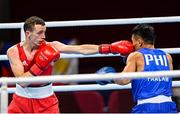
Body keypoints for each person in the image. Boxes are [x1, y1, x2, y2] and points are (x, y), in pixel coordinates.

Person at [7, 16, 133, 113]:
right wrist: (40, 65)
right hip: (20, 101)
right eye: (39, 33)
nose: (44, 36)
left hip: (46, 101)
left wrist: (109, 48)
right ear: (28, 34)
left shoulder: (51, 46)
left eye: (44, 32)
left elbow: (81, 49)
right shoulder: (13, 51)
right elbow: (22, 82)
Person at [113, 24, 177, 113]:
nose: (132, 45)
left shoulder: (136, 55)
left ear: (139, 42)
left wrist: (110, 76)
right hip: (168, 105)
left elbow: (124, 80)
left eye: (133, 42)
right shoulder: (167, 56)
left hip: (146, 106)